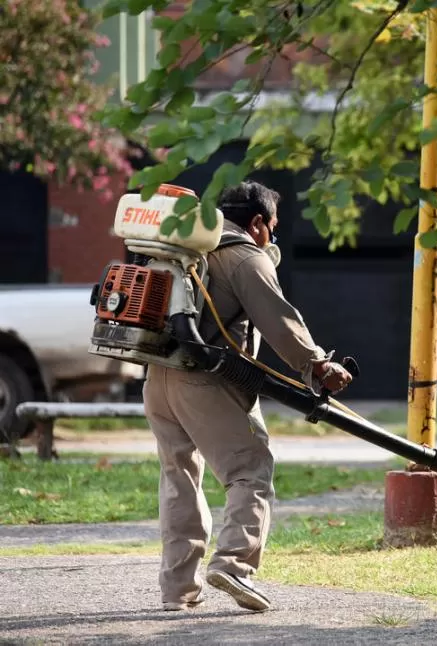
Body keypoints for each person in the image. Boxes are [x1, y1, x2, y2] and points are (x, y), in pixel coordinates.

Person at [143, 180, 353, 613]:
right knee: (251, 470)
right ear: (258, 222)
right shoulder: (243, 255)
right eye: (272, 227)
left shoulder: (186, 250)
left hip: (158, 376)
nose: (272, 237)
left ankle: (177, 590)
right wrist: (318, 365)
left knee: (179, 477)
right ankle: (234, 565)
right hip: (201, 379)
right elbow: (277, 319)